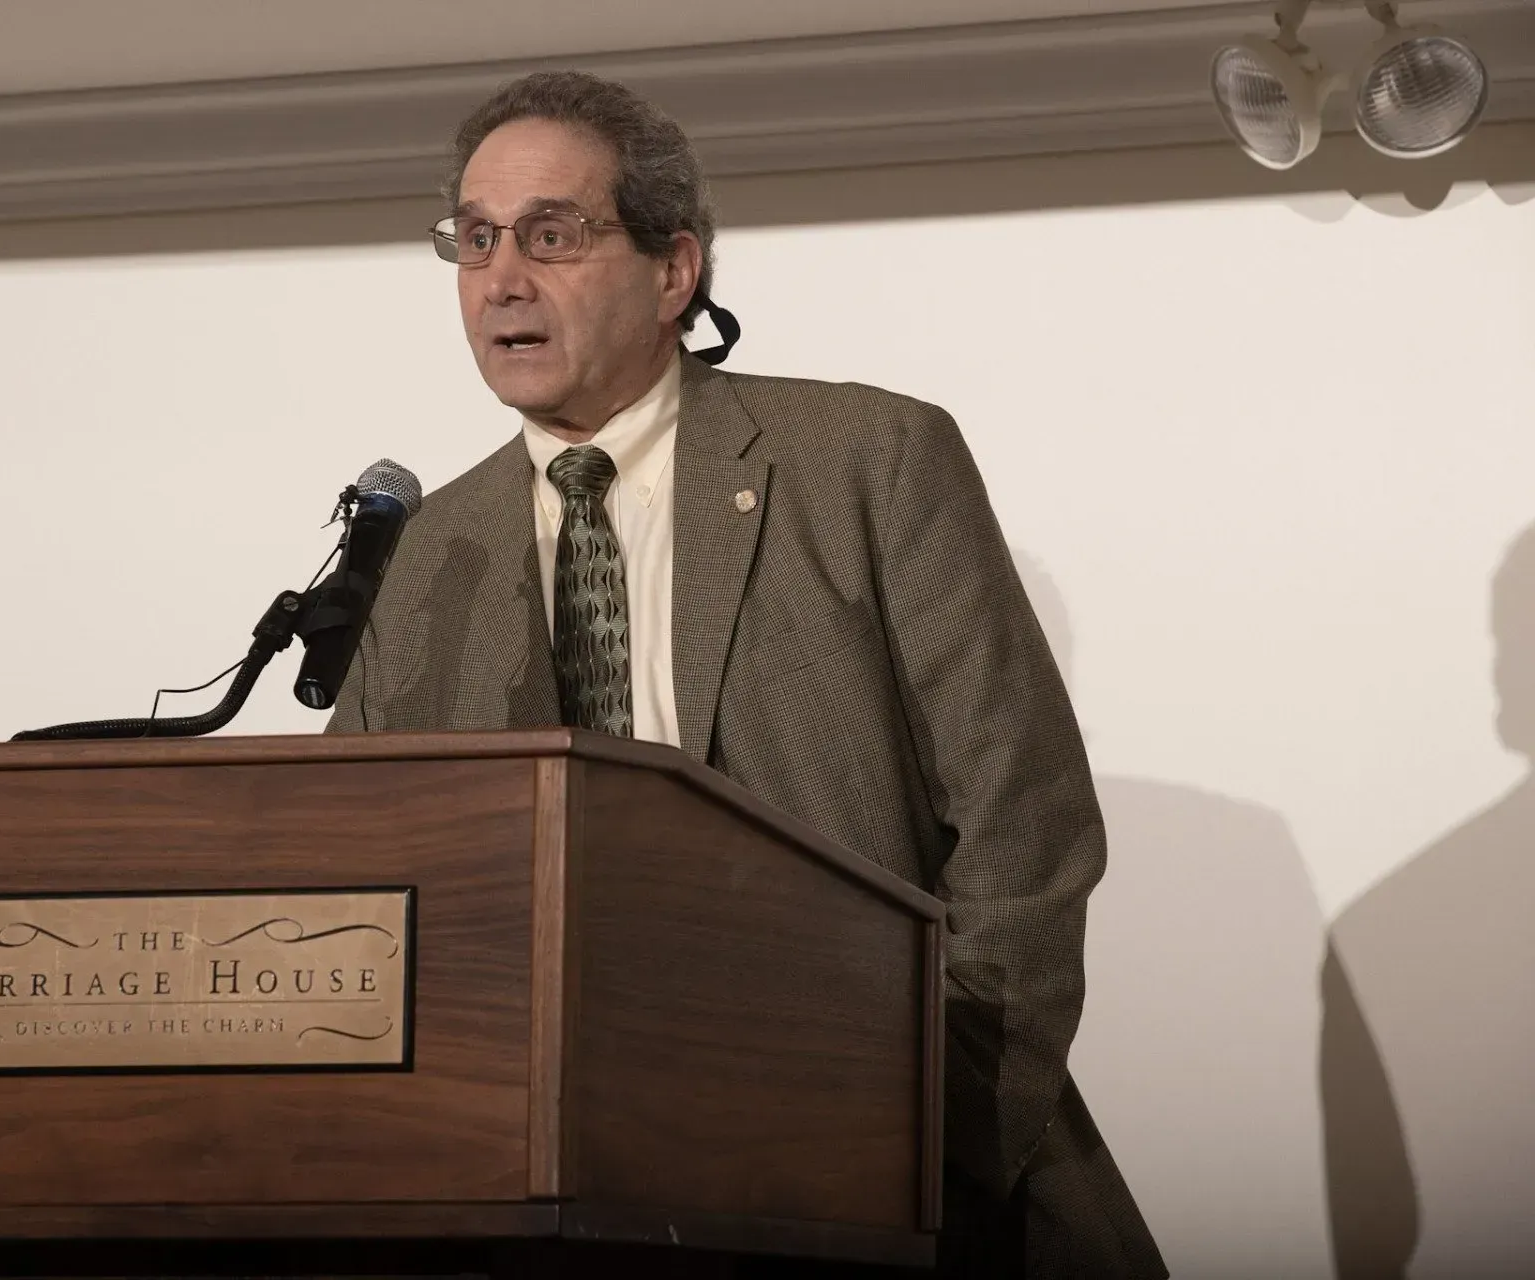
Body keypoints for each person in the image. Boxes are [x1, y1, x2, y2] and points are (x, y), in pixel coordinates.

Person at [327, 69, 1164, 1280]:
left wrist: (928, 1127)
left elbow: (1023, 824)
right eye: (475, 238)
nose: (500, 278)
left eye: (552, 235)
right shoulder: (429, 556)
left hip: (888, 1178)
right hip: (542, 1199)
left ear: (675, 270)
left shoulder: (868, 461)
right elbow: (364, 884)